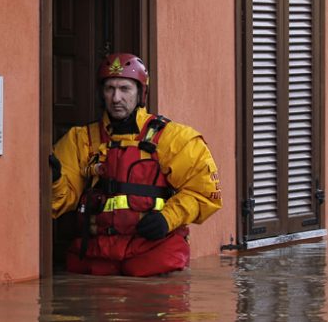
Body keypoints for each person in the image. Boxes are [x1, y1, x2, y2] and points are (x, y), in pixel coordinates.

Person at [49, 53, 222, 276]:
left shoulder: (173, 138)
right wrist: (53, 180)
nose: (116, 98)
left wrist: (167, 218)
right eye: (109, 89)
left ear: (141, 93)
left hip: (154, 253)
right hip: (97, 256)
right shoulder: (81, 140)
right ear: (101, 94)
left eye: (124, 89)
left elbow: (205, 193)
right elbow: (60, 202)